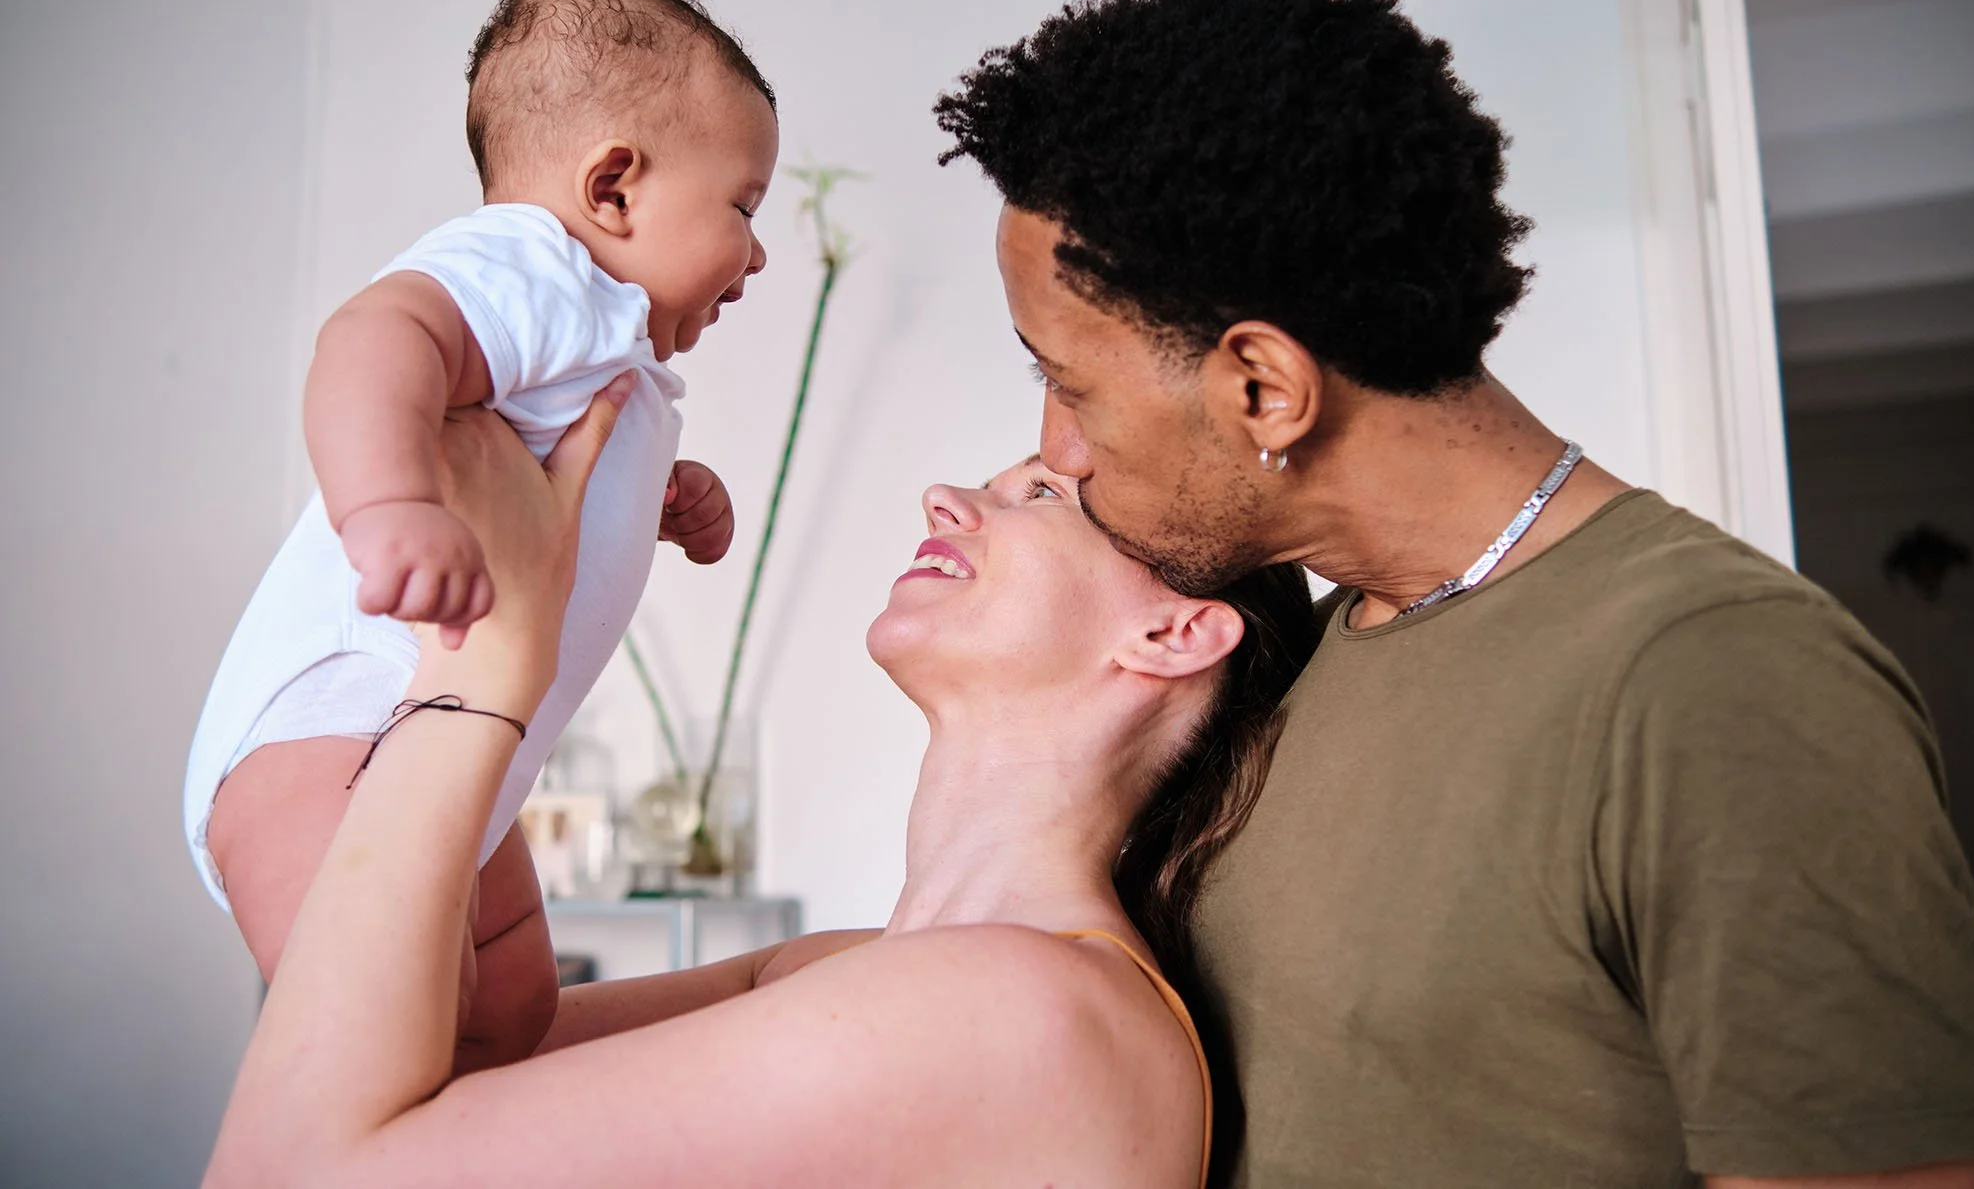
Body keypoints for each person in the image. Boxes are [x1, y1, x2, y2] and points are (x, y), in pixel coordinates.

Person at [933, 0, 1974, 1186]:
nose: (1055, 449)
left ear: (1262, 389)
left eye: (1065, 383)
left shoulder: (1714, 679)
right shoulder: (1315, 646)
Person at [203, 377, 1319, 1186]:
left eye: (1041, 498)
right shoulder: (851, 972)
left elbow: (287, 1164)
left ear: (1172, 633)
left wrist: (484, 663)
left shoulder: (1033, 1014)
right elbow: (428, 1064)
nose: (943, 498)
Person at [184, 0, 777, 1072]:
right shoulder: (534, 265)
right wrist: (391, 505)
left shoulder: (605, 347)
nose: (756, 252)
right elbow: (374, 339)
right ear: (613, 188)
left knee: (510, 1012)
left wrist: (659, 495)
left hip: (459, 754)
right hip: (330, 733)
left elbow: (554, 483)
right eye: (742, 206)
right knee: (367, 1041)